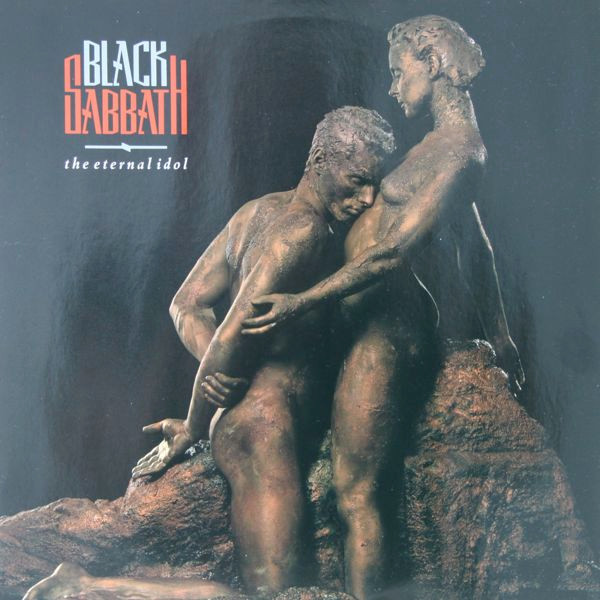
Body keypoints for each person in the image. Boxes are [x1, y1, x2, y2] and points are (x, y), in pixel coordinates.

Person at [22, 107, 395, 600]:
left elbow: (186, 304)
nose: (367, 198)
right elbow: (230, 337)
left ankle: (87, 585)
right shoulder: (301, 232)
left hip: (257, 417)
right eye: (357, 181)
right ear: (321, 160)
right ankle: (86, 587)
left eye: (374, 184)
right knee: (272, 597)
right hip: (261, 429)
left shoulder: (256, 212)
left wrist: (217, 373)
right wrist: (195, 422)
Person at [242, 16, 524, 600]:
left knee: (356, 492)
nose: (393, 88)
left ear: (434, 63)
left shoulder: (461, 152)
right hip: (366, 325)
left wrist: (299, 302)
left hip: (387, 330)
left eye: (400, 72)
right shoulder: (441, 145)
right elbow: (479, 247)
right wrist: (501, 334)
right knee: (340, 483)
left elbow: (393, 253)